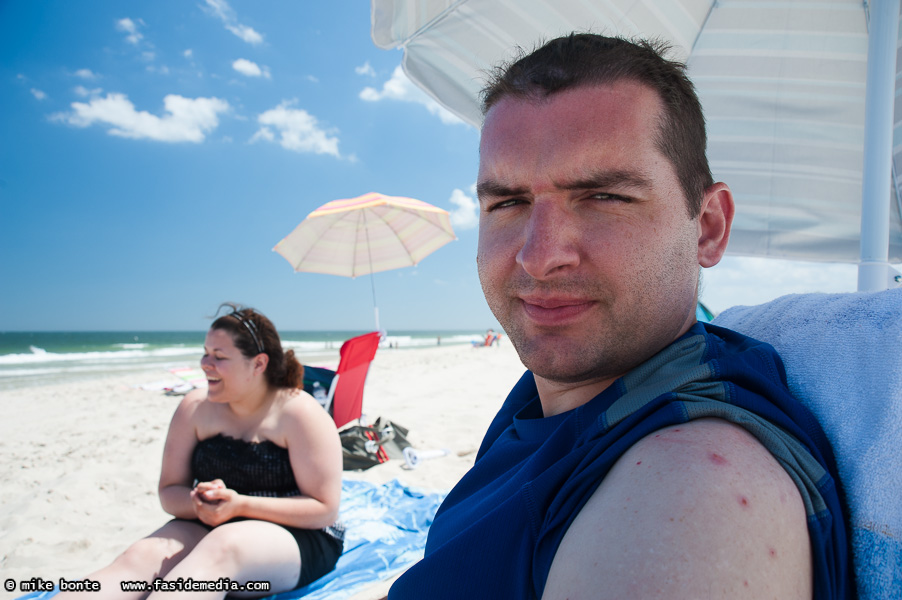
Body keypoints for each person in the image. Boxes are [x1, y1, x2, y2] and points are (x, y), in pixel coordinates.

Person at [388, 34, 850, 599]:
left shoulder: (692, 488)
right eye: (507, 202)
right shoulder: (549, 405)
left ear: (708, 226)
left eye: (603, 196)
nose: (538, 254)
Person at [61, 304, 343, 599]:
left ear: (259, 364)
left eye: (219, 357)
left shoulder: (299, 413)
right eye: (206, 352)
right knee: (141, 556)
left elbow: (323, 509)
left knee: (224, 546)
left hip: (298, 535)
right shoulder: (194, 409)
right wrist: (198, 504)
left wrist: (239, 506)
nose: (205, 363)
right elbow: (170, 491)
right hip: (208, 524)